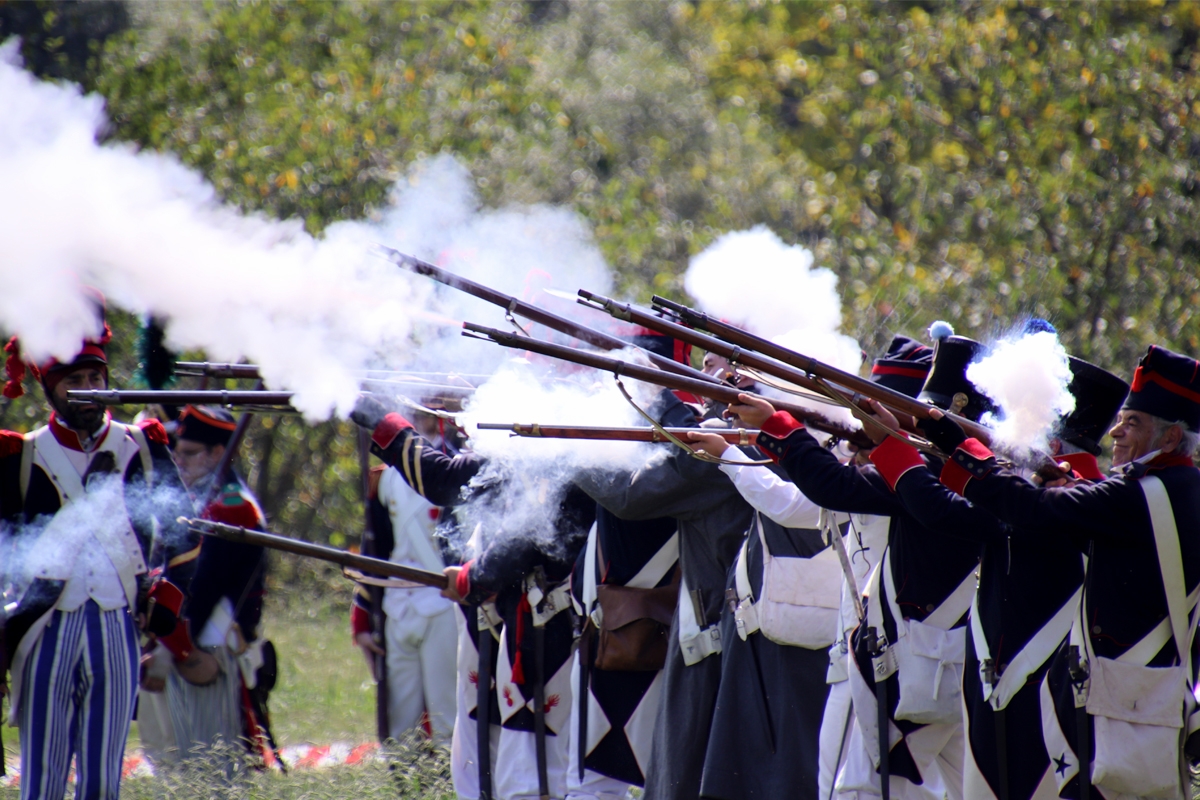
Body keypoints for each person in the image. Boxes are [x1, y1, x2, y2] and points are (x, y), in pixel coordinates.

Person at [884, 344, 1200, 800]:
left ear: (1170, 439)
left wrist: (956, 443)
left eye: (1133, 423)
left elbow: (1028, 508)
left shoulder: (1140, 496)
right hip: (1136, 705)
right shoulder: (1175, 490)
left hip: (1120, 711)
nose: (1116, 432)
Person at [730, 328, 991, 800]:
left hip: (899, 662)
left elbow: (833, 489)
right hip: (954, 661)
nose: (911, 425)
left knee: (853, 790)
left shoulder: (924, 475)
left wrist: (778, 426)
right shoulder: (991, 479)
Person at [687, 334, 929, 800]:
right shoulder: (883, 471)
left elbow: (810, 494)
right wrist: (728, 454)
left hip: (886, 652)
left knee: (854, 790)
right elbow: (794, 506)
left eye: (874, 407)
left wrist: (770, 431)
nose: (861, 415)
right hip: (863, 651)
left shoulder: (910, 475)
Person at [0, 299, 199, 800]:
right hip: (43, 627)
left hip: (118, 626)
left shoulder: (142, 446)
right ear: (51, 387)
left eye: (96, 378)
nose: (90, 391)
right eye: (76, 381)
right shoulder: (20, 455)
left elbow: (183, 534)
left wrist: (166, 599)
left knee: (103, 782)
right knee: (41, 782)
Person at [352, 395, 594, 800]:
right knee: (484, 768)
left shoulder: (560, 447)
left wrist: (472, 578)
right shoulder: (519, 447)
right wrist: (381, 416)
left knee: (534, 776)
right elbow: (444, 479)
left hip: (548, 630)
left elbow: (526, 538)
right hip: (504, 626)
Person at [572, 389, 754, 800]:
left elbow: (628, 494)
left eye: (717, 368)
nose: (707, 376)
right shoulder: (775, 435)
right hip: (733, 627)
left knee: (683, 781)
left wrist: (563, 449)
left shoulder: (722, 441)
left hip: (715, 636)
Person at [146, 405, 269, 764]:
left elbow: (203, 590)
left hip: (205, 645)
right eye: (176, 453)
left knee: (212, 766)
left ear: (218, 453)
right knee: (177, 763)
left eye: (188, 453)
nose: (179, 462)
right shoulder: (200, 500)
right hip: (181, 640)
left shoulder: (232, 508)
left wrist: (171, 650)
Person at [351, 405, 459, 745]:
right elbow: (376, 548)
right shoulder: (383, 476)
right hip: (398, 605)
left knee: (448, 717)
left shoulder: (455, 463)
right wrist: (363, 617)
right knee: (400, 722)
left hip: (444, 603)